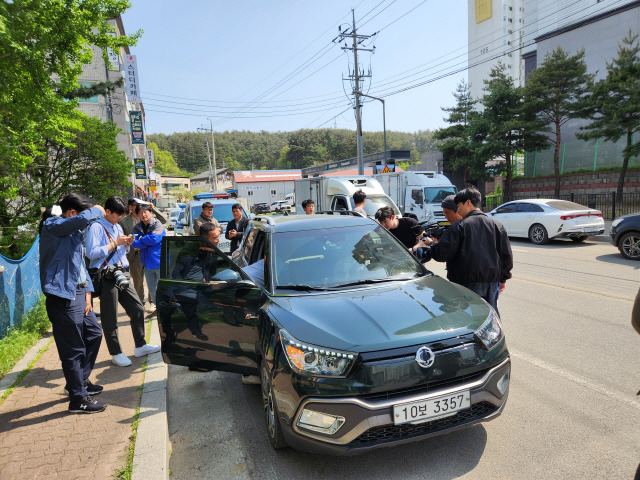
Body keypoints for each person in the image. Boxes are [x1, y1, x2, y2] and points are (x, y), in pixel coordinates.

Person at [39, 193, 107, 413]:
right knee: (73, 349)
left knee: (94, 334)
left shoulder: (73, 233)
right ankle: (78, 400)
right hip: (63, 296)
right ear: (72, 213)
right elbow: (79, 221)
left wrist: (88, 292)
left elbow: (79, 267)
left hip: (78, 294)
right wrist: (97, 209)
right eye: (86, 215)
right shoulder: (53, 225)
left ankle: (78, 381)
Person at [86, 196, 160, 367]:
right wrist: (115, 243)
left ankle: (140, 345)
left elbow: (121, 252)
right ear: (107, 211)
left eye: (121, 215)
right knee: (110, 316)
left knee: (137, 308)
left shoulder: (117, 226)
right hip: (106, 276)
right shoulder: (96, 227)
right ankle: (116, 352)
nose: (119, 218)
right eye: (116, 215)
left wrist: (126, 244)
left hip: (122, 272)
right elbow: (91, 253)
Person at [419, 187, 513, 315]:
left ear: (468, 203)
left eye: (459, 206)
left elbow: (442, 254)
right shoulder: (497, 225)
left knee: (469, 319)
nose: (458, 210)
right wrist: (503, 279)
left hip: (465, 284)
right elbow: (506, 256)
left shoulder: (458, 227)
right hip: (492, 283)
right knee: (490, 316)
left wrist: (432, 245)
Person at [132, 203, 166, 318]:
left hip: (160, 260)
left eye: (145, 211)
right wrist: (144, 242)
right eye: (140, 212)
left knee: (162, 288)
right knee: (152, 289)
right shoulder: (137, 227)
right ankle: (159, 309)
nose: (143, 214)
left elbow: (154, 239)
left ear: (151, 213)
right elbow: (133, 242)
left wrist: (142, 241)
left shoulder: (157, 224)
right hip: (146, 262)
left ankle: (166, 310)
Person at [119, 198, 145, 306]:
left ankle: (146, 301)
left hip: (144, 253)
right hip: (131, 254)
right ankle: (136, 301)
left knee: (145, 278)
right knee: (134, 280)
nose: (138, 206)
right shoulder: (123, 221)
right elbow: (120, 237)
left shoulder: (144, 218)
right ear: (130, 207)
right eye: (135, 205)